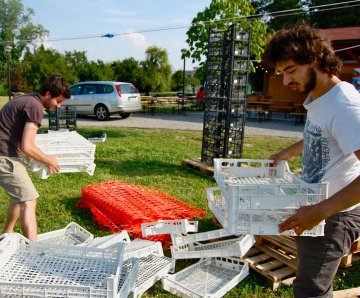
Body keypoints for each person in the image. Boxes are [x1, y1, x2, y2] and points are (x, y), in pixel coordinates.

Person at [262, 22, 360, 298]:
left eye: (290, 70)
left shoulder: (344, 105)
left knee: (310, 290)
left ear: (315, 60)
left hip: (335, 214)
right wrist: (287, 153)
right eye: (281, 73)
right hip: (317, 208)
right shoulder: (320, 99)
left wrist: (319, 212)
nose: (284, 81)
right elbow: (325, 136)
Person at [0, 74, 71, 242]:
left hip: (5, 151)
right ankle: (34, 252)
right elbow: (27, 146)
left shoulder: (28, 99)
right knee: (29, 200)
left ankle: (6, 235)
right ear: (48, 94)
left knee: (20, 196)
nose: (58, 106)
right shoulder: (35, 107)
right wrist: (49, 160)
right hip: (3, 155)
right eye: (58, 101)